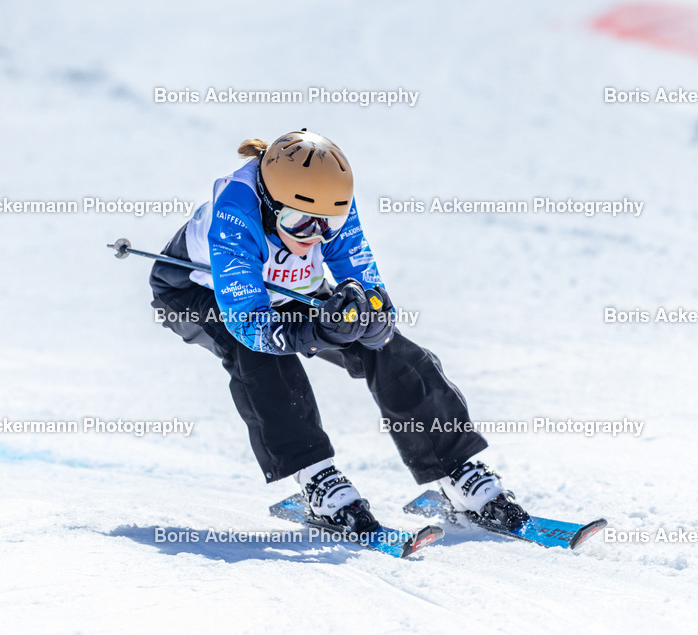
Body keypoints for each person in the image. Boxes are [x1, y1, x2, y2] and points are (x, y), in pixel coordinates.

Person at [150, 129, 528, 533]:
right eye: (297, 222)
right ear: (268, 201)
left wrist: (374, 317)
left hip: (288, 287)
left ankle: (458, 469)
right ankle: (316, 477)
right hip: (199, 293)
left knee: (389, 350)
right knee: (261, 360)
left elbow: (362, 276)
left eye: (327, 223)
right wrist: (316, 334)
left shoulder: (330, 199)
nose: (314, 235)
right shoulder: (235, 213)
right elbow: (250, 324)